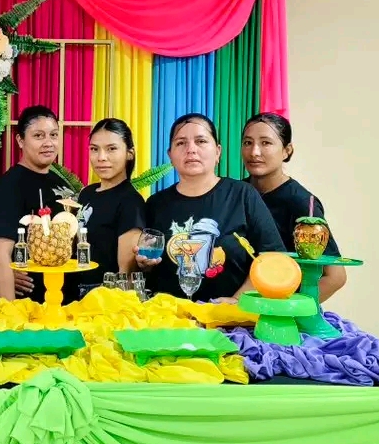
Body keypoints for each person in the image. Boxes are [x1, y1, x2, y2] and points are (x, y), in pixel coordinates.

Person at [137, 113, 285, 303]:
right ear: (170, 155)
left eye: (201, 141)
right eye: (181, 143)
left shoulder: (242, 195)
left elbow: (274, 258)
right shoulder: (155, 204)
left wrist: (237, 300)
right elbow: (147, 269)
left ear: (217, 152)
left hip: (228, 317)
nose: (191, 149)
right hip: (169, 316)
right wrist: (145, 265)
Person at [242, 112, 346, 302]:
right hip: (236, 303)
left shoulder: (302, 203)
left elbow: (335, 277)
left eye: (266, 143)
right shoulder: (236, 193)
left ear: (287, 150)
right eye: (248, 142)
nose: (254, 152)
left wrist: (287, 310)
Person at [0, 106, 70, 303]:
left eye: (53, 135)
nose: (48, 143)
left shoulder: (61, 182)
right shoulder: (10, 186)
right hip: (30, 304)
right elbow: (0, 254)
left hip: (66, 301)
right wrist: (10, 312)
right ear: (20, 140)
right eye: (38, 136)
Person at [72, 119, 146, 298]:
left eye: (111, 149)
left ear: (129, 153)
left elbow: (125, 275)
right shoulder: (87, 193)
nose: (101, 157)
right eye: (94, 149)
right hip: (71, 293)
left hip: (103, 297)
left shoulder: (130, 201)